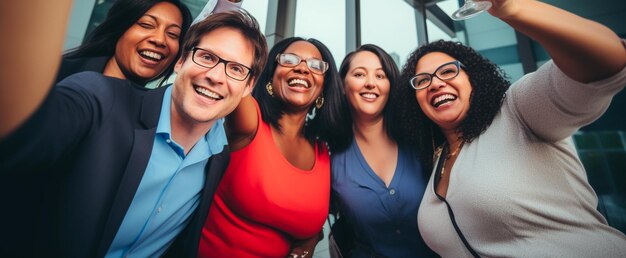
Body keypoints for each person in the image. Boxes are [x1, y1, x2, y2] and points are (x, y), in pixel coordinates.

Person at [0, 1, 268, 256]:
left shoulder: (218, 155)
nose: (216, 76)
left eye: (235, 69)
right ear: (180, 61)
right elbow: (19, 131)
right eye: (207, 57)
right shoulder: (100, 98)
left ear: (248, 87)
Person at [394, 0, 626, 257]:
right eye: (423, 80)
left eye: (448, 71)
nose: (435, 84)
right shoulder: (439, 158)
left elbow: (607, 63)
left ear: (474, 79)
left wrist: (512, 8)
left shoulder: (516, 111)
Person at [195, 37, 348, 258]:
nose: (303, 68)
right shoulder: (249, 119)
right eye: (289, 60)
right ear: (271, 76)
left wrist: (311, 240)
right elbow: (230, 63)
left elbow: (307, 217)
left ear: (323, 88)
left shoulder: (322, 152)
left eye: (315, 65)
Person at [329, 44, 436, 257]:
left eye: (380, 76)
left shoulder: (422, 141)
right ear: (342, 84)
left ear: (390, 85)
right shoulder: (329, 161)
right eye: (359, 74)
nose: (370, 83)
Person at [56, 0, 193, 86]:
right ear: (119, 29)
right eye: (146, 25)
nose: (159, 40)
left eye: (173, 34)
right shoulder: (52, 76)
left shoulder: (154, 116)